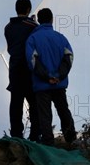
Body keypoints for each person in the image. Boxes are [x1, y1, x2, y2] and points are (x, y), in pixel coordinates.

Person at [26, 8, 77, 146]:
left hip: (42, 86)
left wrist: (47, 77)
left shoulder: (32, 39)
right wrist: (58, 75)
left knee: (45, 115)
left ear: (40, 21)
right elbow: (69, 57)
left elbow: (32, 60)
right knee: (63, 111)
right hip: (58, 84)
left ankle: (48, 144)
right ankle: (71, 140)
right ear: (51, 19)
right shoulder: (61, 38)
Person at [4, 0, 40, 141]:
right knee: (34, 101)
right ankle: (35, 134)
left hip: (14, 69)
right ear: (28, 9)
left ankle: (16, 135)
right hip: (28, 69)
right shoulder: (32, 26)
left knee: (16, 102)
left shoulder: (8, 27)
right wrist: (34, 22)